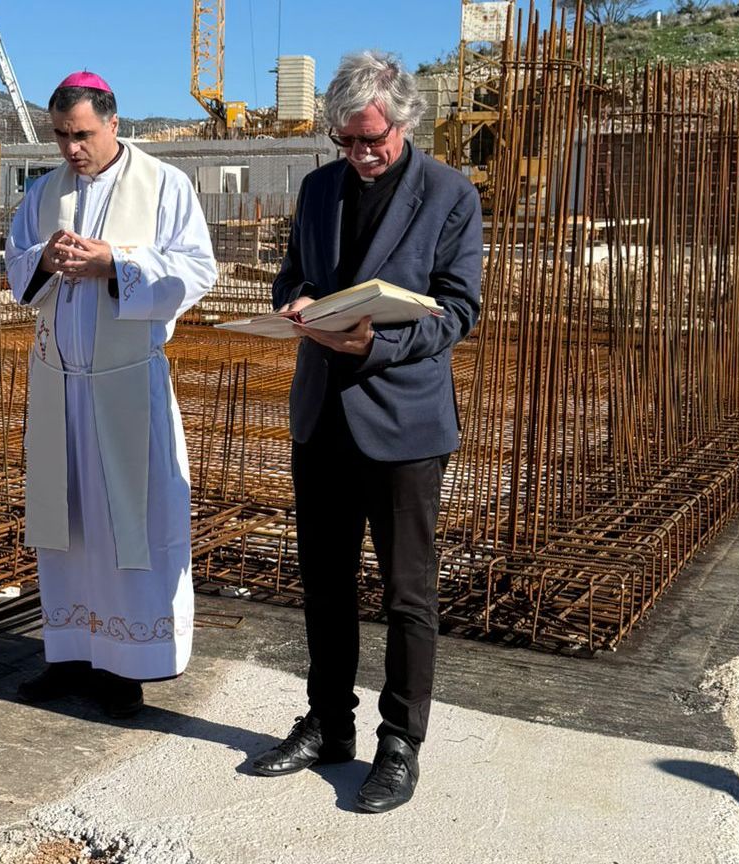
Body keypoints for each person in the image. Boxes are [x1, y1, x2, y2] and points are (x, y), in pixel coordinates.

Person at [249, 50, 482, 813]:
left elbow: (458, 310)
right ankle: (329, 724)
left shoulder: (449, 195)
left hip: (404, 424)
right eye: (346, 141)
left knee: (408, 592)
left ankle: (401, 741)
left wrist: (375, 343)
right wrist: (296, 301)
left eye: (371, 140)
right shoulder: (319, 189)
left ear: (404, 121)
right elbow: (292, 273)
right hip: (322, 415)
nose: (359, 154)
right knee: (325, 582)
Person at [4, 71, 217, 718]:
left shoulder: (164, 184)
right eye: (60, 136)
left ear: (114, 123)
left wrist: (114, 264)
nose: (71, 148)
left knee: (129, 524)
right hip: (59, 387)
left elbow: (197, 269)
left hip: (126, 384)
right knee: (66, 524)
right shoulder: (43, 192)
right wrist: (44, 260)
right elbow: (15, 264)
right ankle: (69, 654)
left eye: (83, 135)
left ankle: (124, 665)